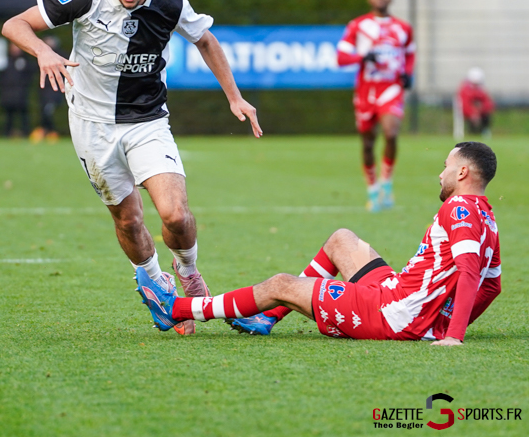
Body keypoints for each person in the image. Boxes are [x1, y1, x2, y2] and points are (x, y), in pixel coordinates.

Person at [2, 0, 262, 335]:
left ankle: (189, 272)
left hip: (147, 121)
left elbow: (206, 40)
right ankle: (156, 283)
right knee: (128, 220)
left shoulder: (170, 3)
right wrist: (44, 51)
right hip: (92, 125)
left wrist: (235, 98)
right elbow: (14, 24)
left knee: (175, 215)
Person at [137, 142, 500, 346]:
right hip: (397, 295)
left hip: (393, 313)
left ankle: (178, 309)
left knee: (280, 284)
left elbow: (470, 272)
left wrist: (451, 334)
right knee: (341, 239)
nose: (441, 173)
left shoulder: (459, 209)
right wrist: (440, 320)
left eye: (446, 166)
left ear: (463, 173)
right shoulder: (486, 216)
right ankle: (267, 317)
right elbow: (492, 285)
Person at [337, 0, 415, 212]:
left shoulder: (403, 27)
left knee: (391, 133)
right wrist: (362, 57)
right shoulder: (358, 26)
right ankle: (372, 189)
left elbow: (410, 54)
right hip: (366, 91)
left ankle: (387, 183)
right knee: (368, 142)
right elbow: (341, 58)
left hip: (391, 89)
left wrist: (408, 74)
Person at [29, 34, 66, 143]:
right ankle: (46, 131)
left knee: (48, 111)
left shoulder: (61, 56)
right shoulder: (42, 57)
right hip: (44, 90)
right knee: (44, 110)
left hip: (55, 90)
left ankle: (51, 131)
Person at [0, 41, 35, 137]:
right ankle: (7, 134)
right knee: (9, 116)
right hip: (8, 94)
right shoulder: (5, 61)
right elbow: (0, 78)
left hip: (21, 93)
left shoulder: (25, 61)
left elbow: (30, 75)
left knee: (23, 115)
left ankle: (26, 134)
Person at [459, 67, 494, 137]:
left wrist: (480, 110)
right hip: (469, 114)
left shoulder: (482, 90)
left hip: (480, 113)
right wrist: (473, 113)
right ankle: (473, 133)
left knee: (487, 116)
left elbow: (488, 104)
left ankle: (484, 131)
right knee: (472, 122)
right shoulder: (465, 90)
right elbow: (465, 105)